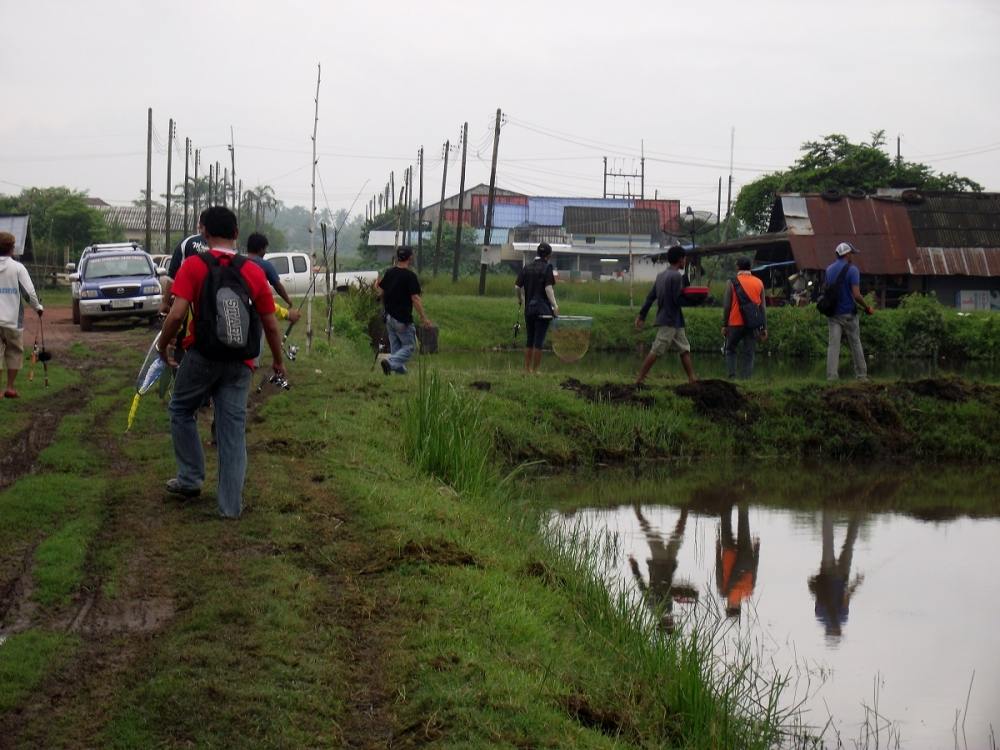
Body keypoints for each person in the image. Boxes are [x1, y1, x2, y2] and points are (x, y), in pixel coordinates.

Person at [157, 206, 285, 518]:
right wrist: (278, 361)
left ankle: (190, 478)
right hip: (241, 362)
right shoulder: (253, 271)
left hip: (202, 356)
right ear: (237, 233)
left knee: (181, 410)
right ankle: (230, 507)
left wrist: (163, 346)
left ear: (203, 232)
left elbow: (175, 314)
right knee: (232, 431)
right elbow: (270, 324)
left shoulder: (194, 266)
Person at [634, 245, 696, 384]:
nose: (685, 261)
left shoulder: (661, 276)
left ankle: (692, 379)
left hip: (675, 320)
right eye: (684, 259)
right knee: (657, 349)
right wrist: (695, 300)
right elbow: (677, 299)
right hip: (670, 319)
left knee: (684, 348)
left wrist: (642, 315)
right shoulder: (676, 276)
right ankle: (639, 378)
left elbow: (650, 297)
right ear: (680, 260)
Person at [375, 246, 431, 375]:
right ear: (410, 257)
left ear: (397, 257)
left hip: (389, 318)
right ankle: (389, 363)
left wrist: (376, 287)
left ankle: (400, 374)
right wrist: (423, 317)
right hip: (402, 319)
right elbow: (415, 298)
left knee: (396, 350)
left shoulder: (389, 272)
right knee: (410, 347)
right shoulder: (410, 276)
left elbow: (380, 293)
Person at [0, 231, 44, 398]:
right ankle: (10, 388)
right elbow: (29, 293)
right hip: (12, 321)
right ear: (12, 249)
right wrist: (38, 307)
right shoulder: (18, 268)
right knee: (14, 352)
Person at [825, 242, 874, 381]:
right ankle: (862, 376)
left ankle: (832, 377)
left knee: (833, 345)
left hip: (834, 314)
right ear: (846, 254)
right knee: (855, 343)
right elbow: (857, 295)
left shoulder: (828, 270)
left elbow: (828, 290)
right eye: (851, 253)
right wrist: (867, 307)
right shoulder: (853, 270)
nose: (852, 255)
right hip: (849, 315)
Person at [515, 242, 559, 373]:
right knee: (538, 341)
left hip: (529, 309)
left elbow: (517, 287)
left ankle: (527, 369)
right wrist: (555, 305)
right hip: (543, 310)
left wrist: (520, 299)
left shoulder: (527, 267)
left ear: (537, 253)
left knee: (529, 339)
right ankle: (535, 370)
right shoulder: (547, 268)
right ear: (549, 255)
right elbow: (548, 288)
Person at [720, 257, 767, 379]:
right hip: (752, 324)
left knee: (730, 349)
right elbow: (762, 308)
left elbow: (726, 306)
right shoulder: (759, 282)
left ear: (737, 267)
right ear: (750, 267)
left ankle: (732, 377)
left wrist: (725, 325)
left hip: (734, 323)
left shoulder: (731, 282)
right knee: (749, 353)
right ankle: (746, 380)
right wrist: (764, 327)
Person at [159, 210, 209, 315]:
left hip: (188, 304)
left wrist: (165, 303)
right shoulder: (223, 248)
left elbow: (172, 278)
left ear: (200, 226)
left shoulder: (187, 243)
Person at [715, 503, 760, 619]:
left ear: (739, 606)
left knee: (744, 522)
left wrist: (757, 549)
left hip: (746, 557)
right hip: (728, 554)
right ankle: (727, 496)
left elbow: (754, 569)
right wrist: (717, 548)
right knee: (725, 521)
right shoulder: (724, 591)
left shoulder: (748, 592)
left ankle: (743, 496)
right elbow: (719, 570)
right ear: (728, 606)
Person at [245, 232, 296, 311]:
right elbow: (277, 286)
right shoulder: (265, 265)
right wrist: (288, 301)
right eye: (265, 249)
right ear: (261, 249)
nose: (265, 252)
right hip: (259, 307)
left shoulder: (238, 263)